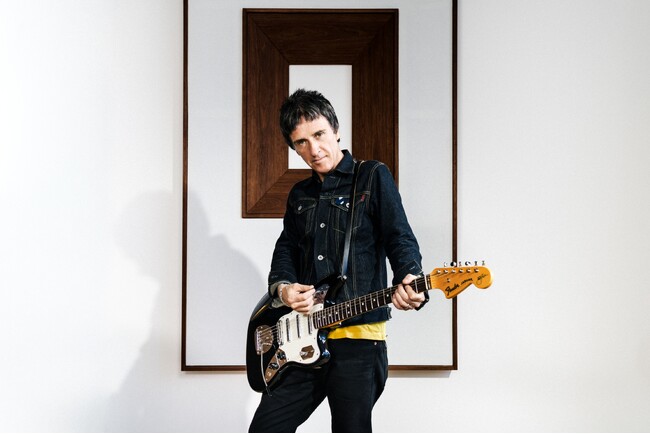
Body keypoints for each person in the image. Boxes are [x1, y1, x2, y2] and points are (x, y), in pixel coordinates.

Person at [249, 89, 429, 433]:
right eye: (301, 142)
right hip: (303, 337)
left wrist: (410, 277)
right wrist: (284, 290)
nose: (313, 149)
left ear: (336, 130)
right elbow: (285, 251)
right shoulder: (299, 195)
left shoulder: (372, 176)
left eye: (319, 134)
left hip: (359, 339)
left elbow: (399, 237)